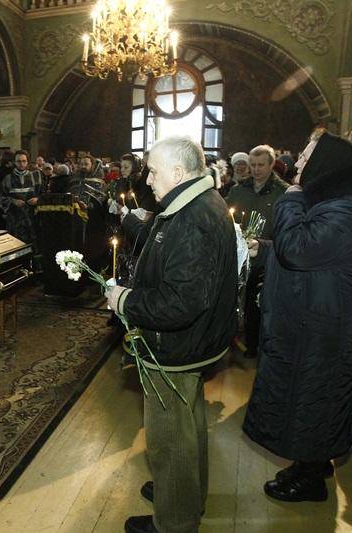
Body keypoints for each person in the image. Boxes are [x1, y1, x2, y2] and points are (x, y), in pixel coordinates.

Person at [243, 131, 352, 502]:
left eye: (306, 157)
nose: (297, 163)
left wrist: (291, 198)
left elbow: (300, 249)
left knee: (316, 401)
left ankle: (310, 480)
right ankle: (310, 463)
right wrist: (265, 250)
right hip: (318, 320)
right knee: (307, 399)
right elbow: (318, 254)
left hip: (329, 329)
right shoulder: (339, 200)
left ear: (326, 162)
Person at [105, 136, 237, 533]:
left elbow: (181, 303)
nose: (147, 180)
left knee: (169, 439)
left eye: (154, 172)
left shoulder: (193, 219)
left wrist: (125, 301)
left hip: (176, 346)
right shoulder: (197, 203)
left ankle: (175, 521)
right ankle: (182, 494)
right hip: (193, 343)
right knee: (188, 426)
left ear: (178, 173)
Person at [225, 144, 288, 359]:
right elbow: (226, 215)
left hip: (267, 257)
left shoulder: (283, 193)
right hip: (240, 254)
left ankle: (255, 344)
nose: (256, 169)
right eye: (253, 165)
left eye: (261, 165)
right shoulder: (238, 190)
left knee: (257, 304)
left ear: (271, 165)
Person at [0, 150, 40, 243]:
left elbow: (44, 194)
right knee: (15, 244)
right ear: (14, 162)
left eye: (24, 161)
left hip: (32, 218)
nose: (21, 164)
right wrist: (13, 201)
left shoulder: (36, 177)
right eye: (19, 161)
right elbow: (0, 196)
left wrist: (37, 199)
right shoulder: (8, 178)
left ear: (27, 162)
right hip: (14, 219)